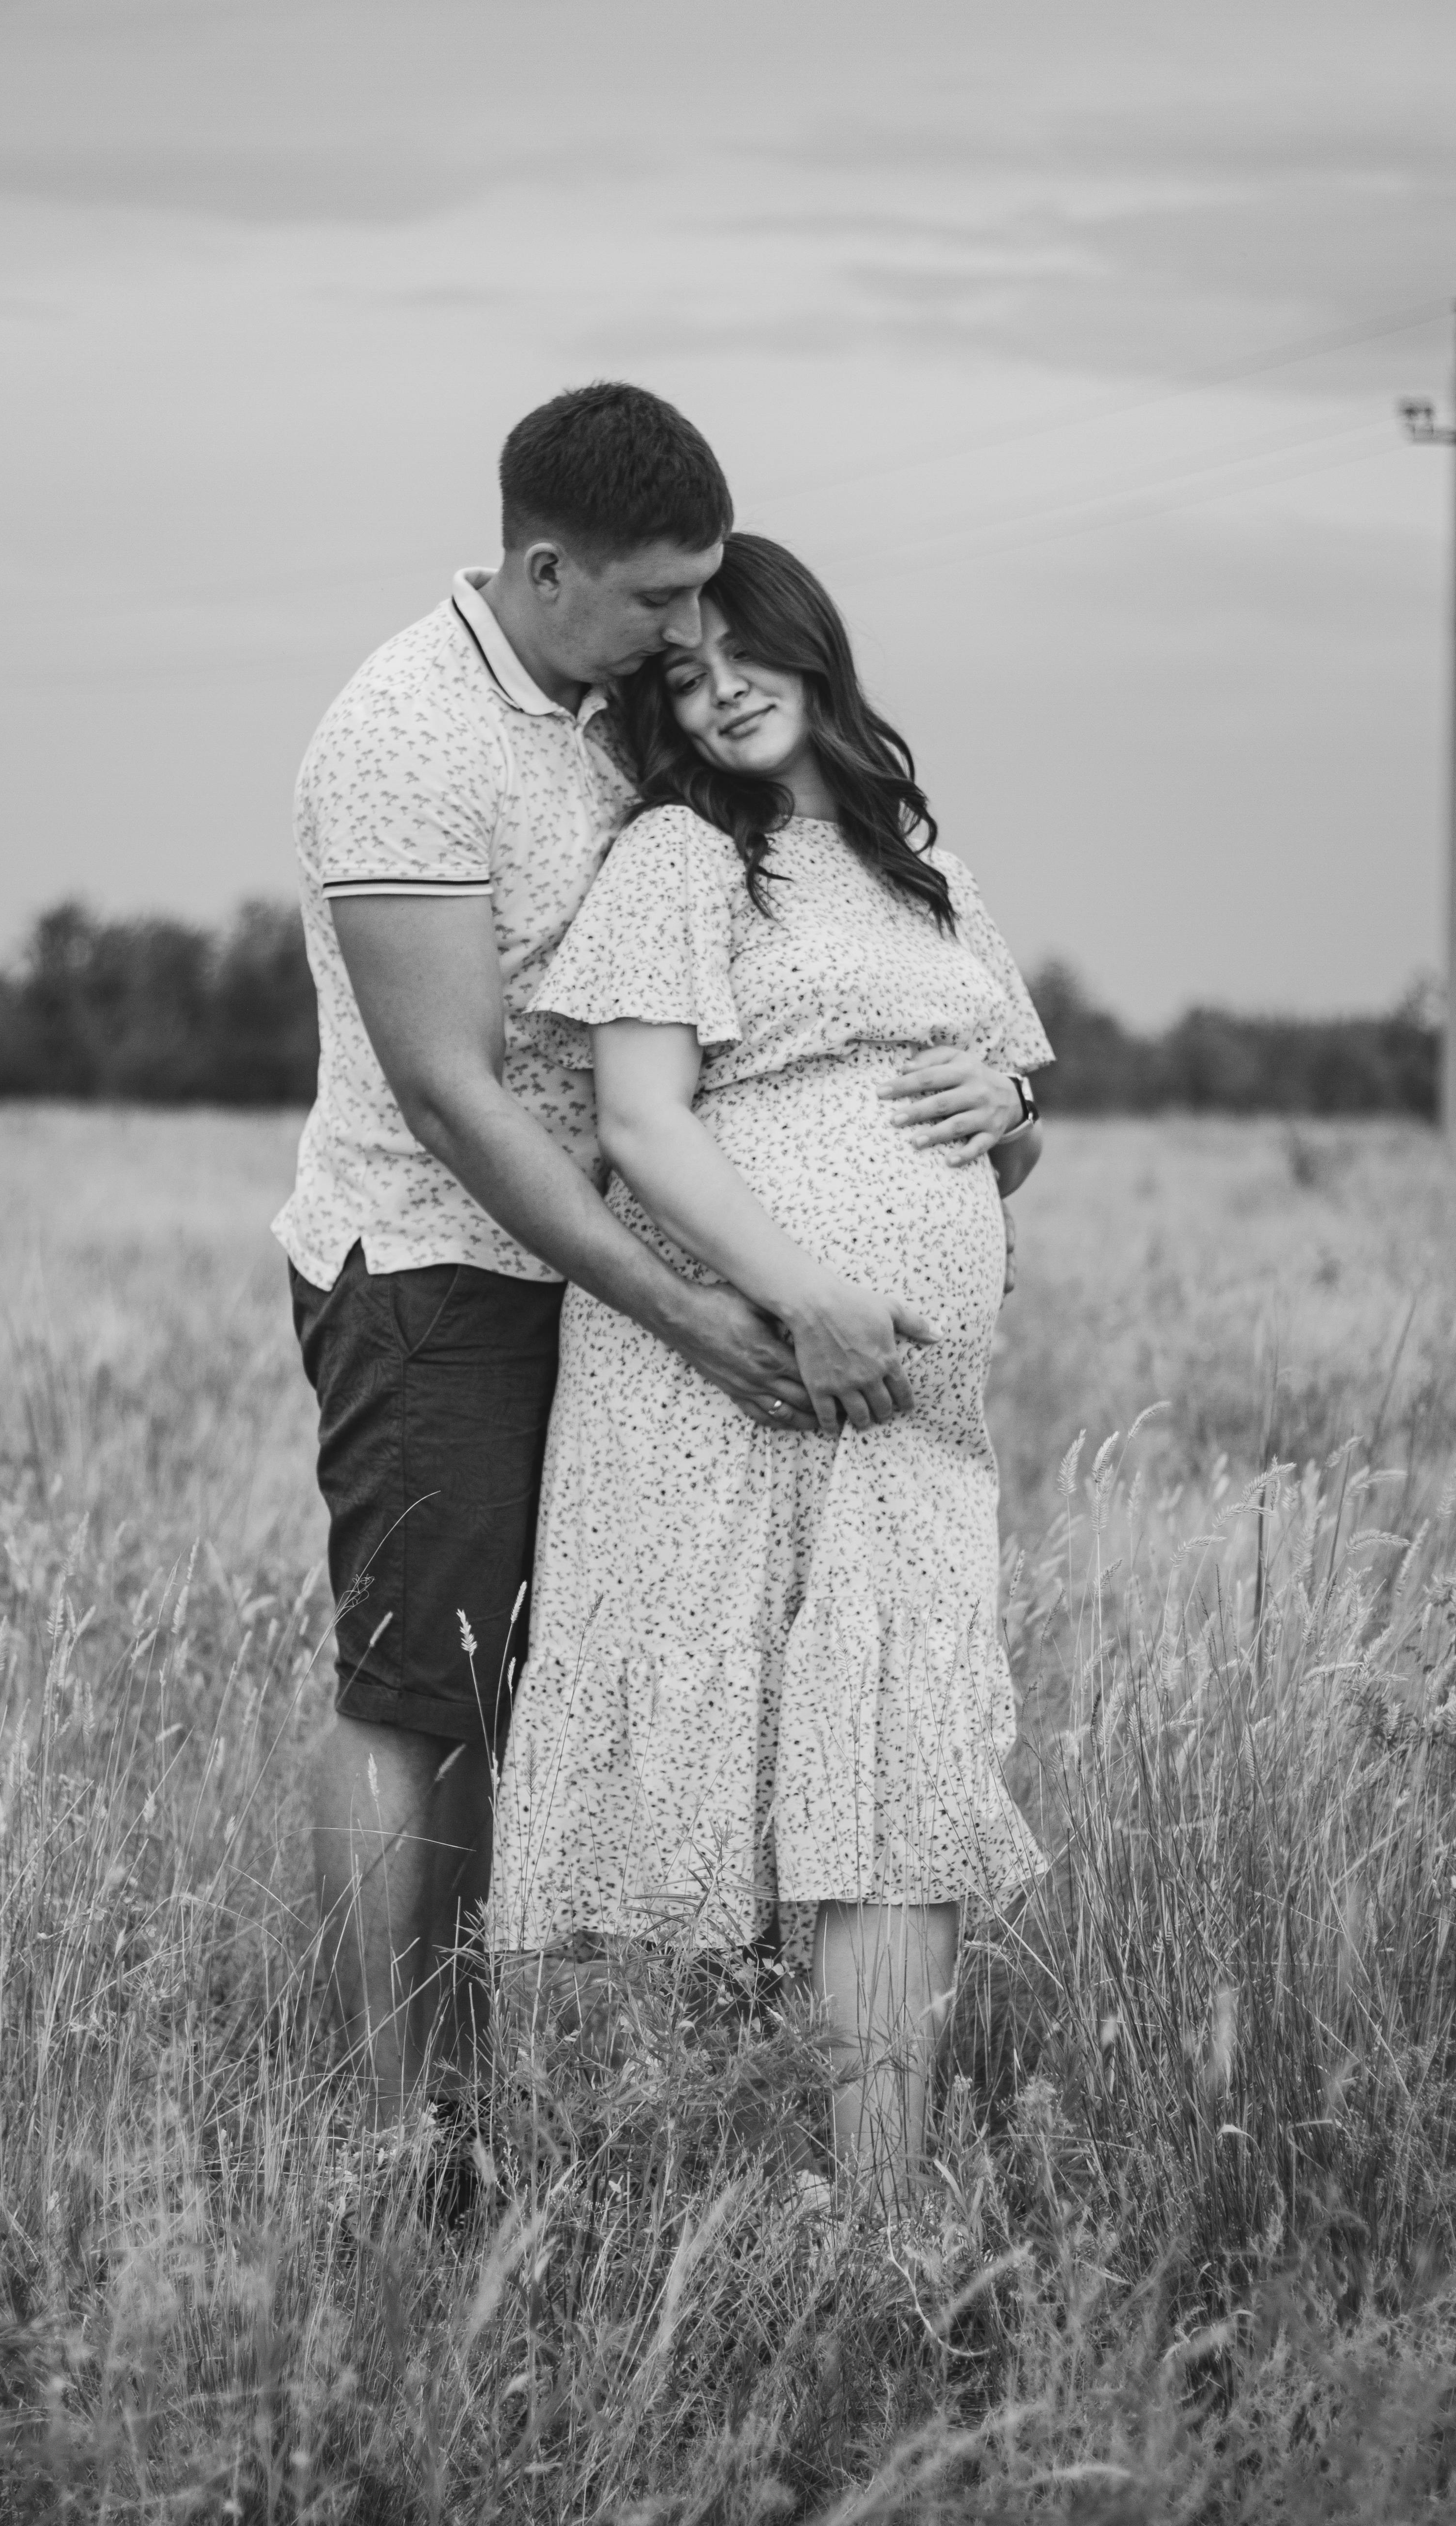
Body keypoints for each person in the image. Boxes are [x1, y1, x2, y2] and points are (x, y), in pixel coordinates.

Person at [275, 386, 820, 2119]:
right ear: (546, 565)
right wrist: (683, 1307)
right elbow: (450, 1094)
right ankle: (395, 2117)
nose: (690, 635)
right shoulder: (408, 736)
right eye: (662, 599)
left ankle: (475, 2085)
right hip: (435, 1275)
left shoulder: (607, 709)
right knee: (421, 1692)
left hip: (578, 1279)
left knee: (523, 1691)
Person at [489, 532, 1053, 2199]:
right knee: (709, 1766)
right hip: (721, 1386)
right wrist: (806, 1294)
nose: (718, 686)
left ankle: (873, 2210)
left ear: (816, 654)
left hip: (909, 1418)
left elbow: (1007, 1105)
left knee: (894, 1772)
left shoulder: (919, 859)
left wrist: (1017, 1116)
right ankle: (659, 2193)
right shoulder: (678, 856)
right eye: (683, 668)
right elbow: (643, 1128)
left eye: (747, 654)